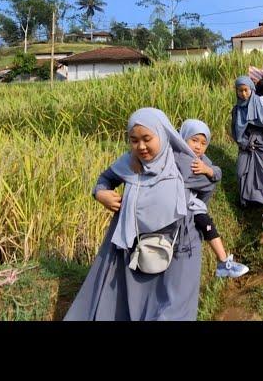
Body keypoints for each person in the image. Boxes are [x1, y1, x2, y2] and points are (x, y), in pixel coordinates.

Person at [64, 108, 206, 321]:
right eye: (134, 140)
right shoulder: (129, 163)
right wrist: (101, 193)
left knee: (174, 309)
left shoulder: (183, 163)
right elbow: (105, 179)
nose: (141, 146)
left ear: (163, 133)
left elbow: (210, 183)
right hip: (136, 248)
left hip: (180, 247)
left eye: (147, 139)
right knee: (134, 306)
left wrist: (195, 205)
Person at [178, 119, 249, 278]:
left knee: (205, 222)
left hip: (191, 204)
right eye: (194, 140)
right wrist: (209, 173)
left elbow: (216, 171)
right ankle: (223, 262)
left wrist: (208, 170)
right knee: (204, 222)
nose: (198, 146)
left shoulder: (199, 159)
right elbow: (215, 177)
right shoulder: (183, 159)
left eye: (203, 143)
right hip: (180, 205)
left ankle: (223, 261)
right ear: (183, 137)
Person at [231, 76, 263, 229]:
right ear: (236, 92)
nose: (244, 94)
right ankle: (248, 200)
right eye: (240, 91)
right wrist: (243, 142)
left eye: (246, 90)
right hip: (246, 144)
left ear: (251, 89)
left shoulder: (260, 102)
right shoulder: (237, 109)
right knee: (240, 172)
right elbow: (235, 130)